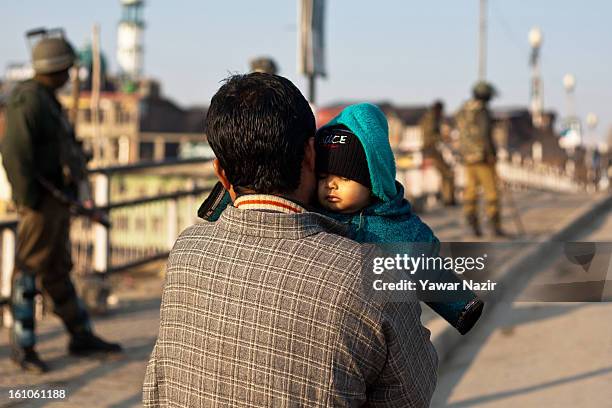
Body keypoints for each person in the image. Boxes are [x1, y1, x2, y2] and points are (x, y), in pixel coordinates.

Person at [143, 73, 438, 407]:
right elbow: (413, 393)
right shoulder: (371, 271)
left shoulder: (185, 253)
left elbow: (157, 389)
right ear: (311, 155)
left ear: (221, 174)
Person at [1, 29, 122, 373]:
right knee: (27, 272)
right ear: (54, 69)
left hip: (54, 202)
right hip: (41, 203)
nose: (69, 75)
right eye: (66, 68)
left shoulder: (45, 99)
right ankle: (23, 345)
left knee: (56, 270)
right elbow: (14, 153)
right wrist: (31, 200)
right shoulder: (29, 100)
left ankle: (80, 333)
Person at [315, 103, 483, 335]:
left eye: (344, 177)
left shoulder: (396, 227)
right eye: (322, 177)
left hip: (380, 323)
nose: (330, 185)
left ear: (373, 180)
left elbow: (427, 270)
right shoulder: (313, 218)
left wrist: (461, 307)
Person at [455, 81, 504, 237]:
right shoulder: (482, 111)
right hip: (482, 157)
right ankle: (493, 223)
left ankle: (471, 220)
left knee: (471, 189)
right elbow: (485, 135)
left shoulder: (463, 110)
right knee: (491, 191)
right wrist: (492, 154)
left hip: (467, 157)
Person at [419, 100, 456, 206]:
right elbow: (430, 136)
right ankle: (448, 199)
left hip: (431, 149)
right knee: (447, 173)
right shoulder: (431, 119)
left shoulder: (429, 118)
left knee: (446, 172)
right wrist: (443, 137)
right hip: (431, 149)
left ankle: (448, 197)